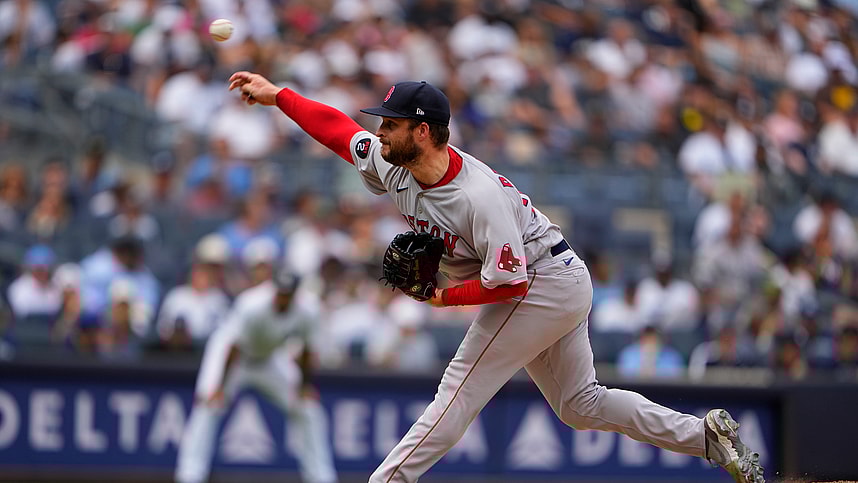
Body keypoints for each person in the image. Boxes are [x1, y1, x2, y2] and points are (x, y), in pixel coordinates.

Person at [226, 72, 765, 483]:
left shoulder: (476, 196)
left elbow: (507, 285)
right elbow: (338, 131)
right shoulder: (394, 164)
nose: (379, 131)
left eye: (390, 123)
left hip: (542, 281)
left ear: (423, 131)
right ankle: (709, 438)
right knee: (581, 406)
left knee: (459, 389)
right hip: (550, 278)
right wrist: (279, 96)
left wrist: (442, 298)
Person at [175, 268, 337, 483]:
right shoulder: (252, 304)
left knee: (308, 409)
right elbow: (233, 347)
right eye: (280, 292)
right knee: (209, 405)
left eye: (287, 293)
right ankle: (190, 475)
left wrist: (304, 386)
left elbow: (307, 350)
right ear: (273, 289)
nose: (282, 297)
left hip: (269, 358)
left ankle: (321, 477)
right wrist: (219, 388)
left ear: (296, 293)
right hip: (233, 357)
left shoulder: (308, 309)